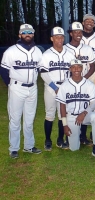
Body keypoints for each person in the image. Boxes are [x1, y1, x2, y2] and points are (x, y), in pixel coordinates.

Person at [1, 24, 43, 158]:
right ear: (20, 35)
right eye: (24, 32)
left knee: (29, 119)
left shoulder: (38, 51)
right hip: (17, 87)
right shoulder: (11, 51)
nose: (27, 34)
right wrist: (12, 85)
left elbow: (40, 69)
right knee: (15, 119)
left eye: (30, 32)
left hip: (33, 87)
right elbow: (3, 71)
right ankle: (14, 148)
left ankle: (29, 146)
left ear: (33, 34)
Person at [56, 59, 95, 159]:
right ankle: (76, 135)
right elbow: (62, 106)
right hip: (72, 117)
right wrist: (65, 125)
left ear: (82, 68)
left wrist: (84, 113)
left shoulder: (89, 84)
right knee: (74, 148)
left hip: (85, 115)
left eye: (78, 67)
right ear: (70, 69)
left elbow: (93, 103)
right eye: (74, 67)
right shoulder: (64, 85)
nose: (76, 69)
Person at [40, 27, 75, 151]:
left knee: (62, 115)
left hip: (65, 88)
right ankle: (48, 140)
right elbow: (44, 73)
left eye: (61, 37)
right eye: (56, 37)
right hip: (51, 87)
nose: (59, 39)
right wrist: (54, 87)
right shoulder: (47, 54)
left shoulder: (69, 54)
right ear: (52, 38)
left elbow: (74, 72)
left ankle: (60, 139)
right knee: (50, 114)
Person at [65, 21, 95, 146]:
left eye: (80, 32)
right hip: (69, 83)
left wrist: (84, 79)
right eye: (75, 32)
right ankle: (65, 136)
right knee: (68, 109)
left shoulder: (87, 48)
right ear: (71, 33)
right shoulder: (65, 49)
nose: (78, 34)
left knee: (84, 107)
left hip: (84, 83)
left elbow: (92, 67)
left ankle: (83, 136)